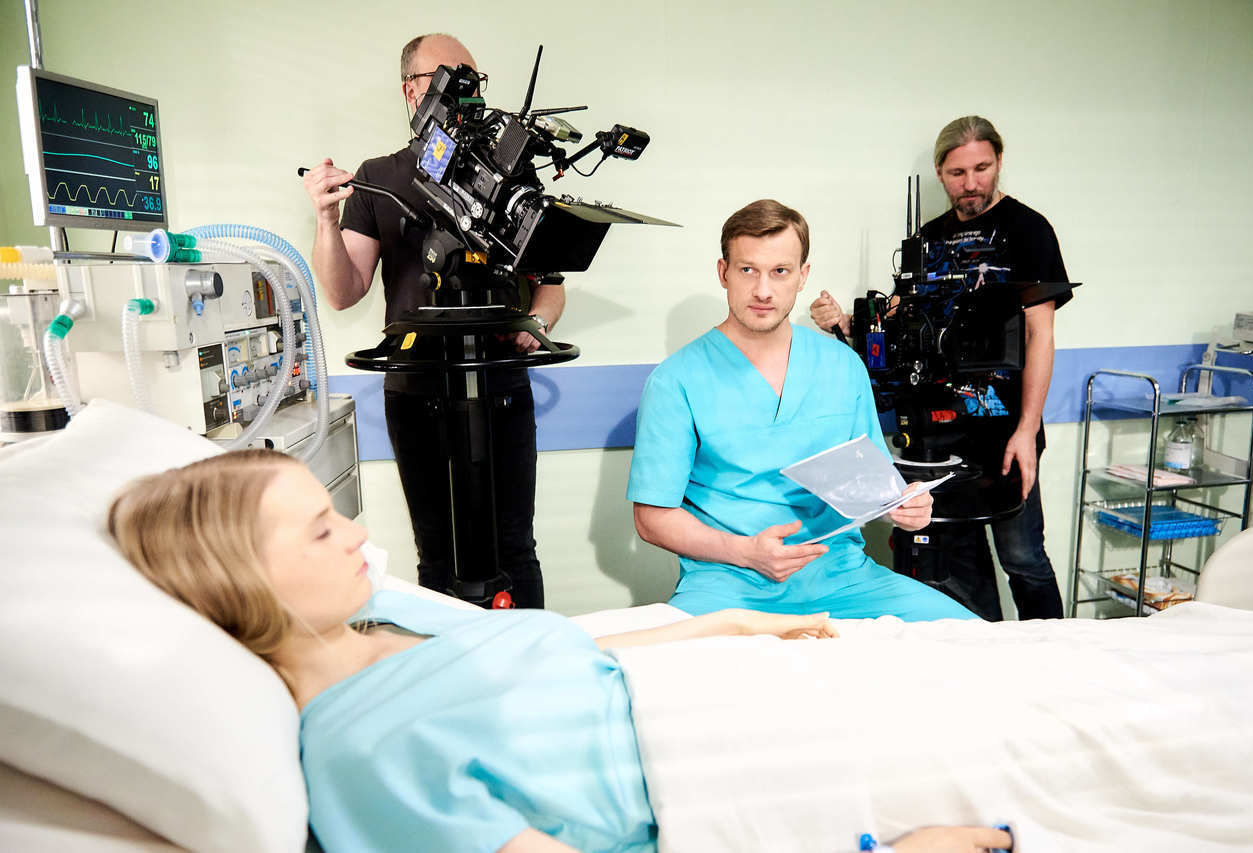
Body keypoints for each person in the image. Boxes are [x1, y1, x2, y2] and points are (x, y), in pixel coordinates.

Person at [106, 448, 1012, 853]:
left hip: (754, 682)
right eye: (319, 529)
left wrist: (732, 625)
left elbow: (577, 654)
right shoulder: (359, 755)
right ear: (243, 582)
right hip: (742, 773)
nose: (357, 533)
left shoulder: (388, 618)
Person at [302, 33, 561, 607]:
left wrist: (536, 325)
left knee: (515, 548)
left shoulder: (510, 176)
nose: (465, 93)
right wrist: (325, 219)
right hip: (417, 392)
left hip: (500, 384)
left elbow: (550, 287)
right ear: (411, 91)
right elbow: (343, 292)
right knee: (438, 555)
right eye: (449, 79)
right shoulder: (377, 178)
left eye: (474, 81)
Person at [626, 199, 975, 621]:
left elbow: (874, 487)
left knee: (969, 639)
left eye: (780, 271)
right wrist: (746, 552)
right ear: (723, 272)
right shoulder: (676, 380)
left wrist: (905, 508)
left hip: (845, 579)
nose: (763, 290)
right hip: (728, 583)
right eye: (747, 269)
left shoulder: (842, 366)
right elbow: (652, 517)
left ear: (802, 276)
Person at [810, 117, 1071, 622]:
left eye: (981, 168)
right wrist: (844, 322)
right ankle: (984, 646)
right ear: (939, 173)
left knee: (1022, 556)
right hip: (939, 430)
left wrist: (1027, 430)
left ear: (999, 161)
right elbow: (901, 321)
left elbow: (1041, 335)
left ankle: (1054, 648)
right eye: (957, 173)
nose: (970, 183)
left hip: (1005, 428)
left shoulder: (1028, 230)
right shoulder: (927, 238)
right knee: (957, 562)